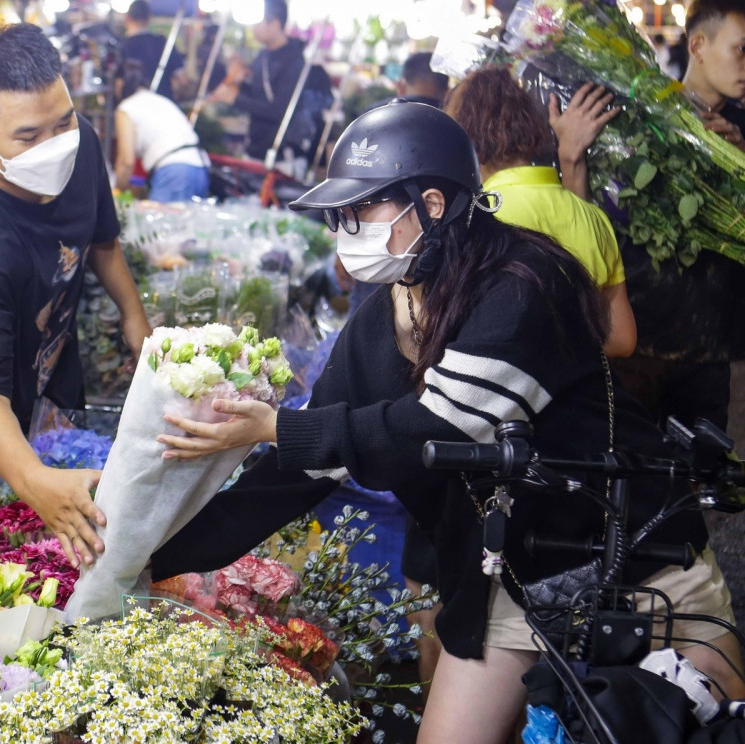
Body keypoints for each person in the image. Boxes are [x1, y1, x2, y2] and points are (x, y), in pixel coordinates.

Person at [150, 101, 742, 744]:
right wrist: (148, 556)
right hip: (509, 583)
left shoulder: (523, 285)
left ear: (431, 204)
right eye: (338, 216)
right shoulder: (383, 317)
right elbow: (301, 471)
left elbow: (433, 430)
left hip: (635, 569)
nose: (345, 231)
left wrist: (274, 427)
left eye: (362, 211)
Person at [0, 24, 151, 569]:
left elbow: (102, 239)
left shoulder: (78, 142)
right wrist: (33, 480)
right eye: (27, 135)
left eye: (62, 121)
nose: (54, 144)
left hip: (42, 384)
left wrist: (136, 318)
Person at [548, 0, 745, 433]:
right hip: (635, 342)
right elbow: (585, 222)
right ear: (697, 44)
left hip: (710, 351)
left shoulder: (740, 132)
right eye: (741, 49)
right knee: (627, 481)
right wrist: (570, 156)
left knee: (697, 488)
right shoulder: (633, 116)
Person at [445, 66, 637, 358]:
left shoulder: (477, 219)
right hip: (582, 397)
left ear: (465, 138)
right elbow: (623, 339)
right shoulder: (592, 217)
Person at [206, 0, 330, 160]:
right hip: (256, 146)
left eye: (258, 23)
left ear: (275, 24)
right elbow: (259, 97)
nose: (253, 29)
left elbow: (279, 110)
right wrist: (238, 85)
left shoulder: (294, 60)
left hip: (282, 152)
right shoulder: (262, 56)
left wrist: (235, 98)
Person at [114, 61, 209, 202]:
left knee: (160, 223)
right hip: (200, 167)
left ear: (120, 82)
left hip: (175, 171)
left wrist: (116, 193)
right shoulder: (159, 100)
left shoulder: (126, 108)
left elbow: (126, 162)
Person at [119, 0, 184, 102]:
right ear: (149, 18)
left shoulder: (122, 46)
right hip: (164, 103)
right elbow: (182, 79)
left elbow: (119, 85)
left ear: (127, 18)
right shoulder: (163, 42)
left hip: (134, 108)